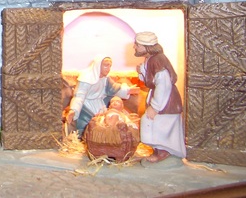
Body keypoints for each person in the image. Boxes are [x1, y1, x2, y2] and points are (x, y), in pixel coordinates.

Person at [134, 31, 186, 163]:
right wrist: (142, 72)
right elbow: (151, 80)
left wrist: (155, 107)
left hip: (166, 103)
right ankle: (157, 151)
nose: (135, 47)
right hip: (159, 99)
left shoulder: (158, 61)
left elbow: (163, 85)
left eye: (137, 45)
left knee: (158, 127)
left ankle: (163, 152)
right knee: (153, 125)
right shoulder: (150, 59)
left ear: (146, 47)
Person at [66, 55, 139, 136]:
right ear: (98, 65)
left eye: (110, 66)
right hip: (86, 106)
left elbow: (114, 89)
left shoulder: (105, 78)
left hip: (100, 104)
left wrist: (128, 90)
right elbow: (79, 96)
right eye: (106, 65)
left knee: (106, 122)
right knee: (87, 125)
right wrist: (74, 110)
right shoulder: (86, 78)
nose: (108, 68)